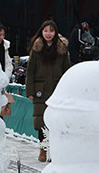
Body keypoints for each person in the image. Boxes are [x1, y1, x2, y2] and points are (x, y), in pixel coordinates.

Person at [25, 20, 71, 162]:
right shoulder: (37, 48)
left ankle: (55, 151)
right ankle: (43, 149)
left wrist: (68, 90)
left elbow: (67, 70)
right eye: (46, 31)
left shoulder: (62, 48)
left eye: (51, 31)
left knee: (56, 122)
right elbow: (30, 71)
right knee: (41, 122)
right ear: (42, 32)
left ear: (55, 32)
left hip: (57, 90)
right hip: (41, 90)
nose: (48, 34)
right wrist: (30, 91)